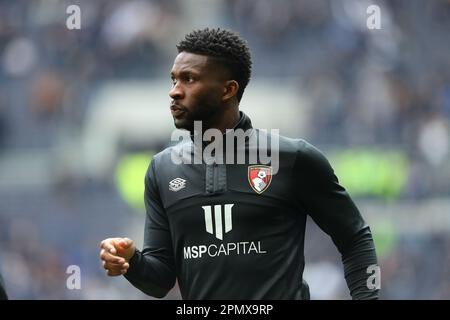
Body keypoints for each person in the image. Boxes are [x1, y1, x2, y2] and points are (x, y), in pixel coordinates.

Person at [99, 28, 379, 299]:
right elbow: (160, 281)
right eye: (173, 80)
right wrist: (131, 262)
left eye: (189, 79)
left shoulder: (293, 159)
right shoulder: (162, 170)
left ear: (228, 89)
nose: (174, 91)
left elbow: (355, 237)